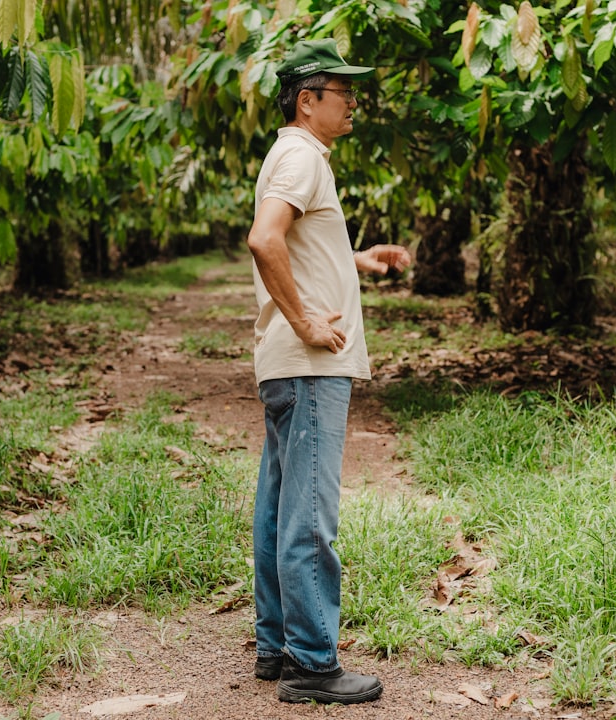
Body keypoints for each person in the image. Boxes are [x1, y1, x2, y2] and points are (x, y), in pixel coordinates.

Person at [245, 38, 412, 706]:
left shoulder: (296, 155)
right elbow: (266, 238)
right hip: (311, 364)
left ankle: (275, 644)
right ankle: (312, 664)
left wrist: (356, 259)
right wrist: (310, 322)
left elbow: (298, 240)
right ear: (308, 100)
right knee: (309, 512)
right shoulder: (300, 154)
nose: (353, 105)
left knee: (280, 506)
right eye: (343, 93)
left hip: (290, 367)